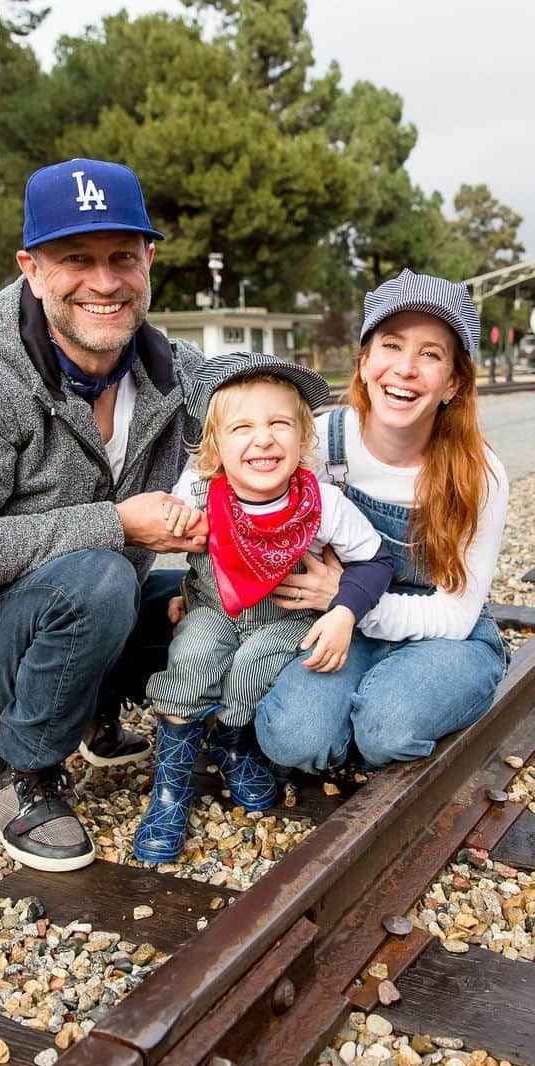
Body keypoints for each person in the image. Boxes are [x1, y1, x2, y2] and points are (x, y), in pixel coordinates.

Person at [0, 158, 209, 873]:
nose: (104, 281)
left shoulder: (176, 370)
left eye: (122, 257)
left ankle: (93, 710)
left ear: (149, 261)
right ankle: (22, 771)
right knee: (99, 580)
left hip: (89, 600)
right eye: (75, 259)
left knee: (212, 602)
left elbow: (270, 404)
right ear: (32, 268)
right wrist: (118, 523)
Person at [132, 353, 394, 862]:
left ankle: (232, 741)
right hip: (213, 608)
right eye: (242, 427)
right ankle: (171, 786)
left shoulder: (322, 502)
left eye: (279, 424)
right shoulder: (199, 493)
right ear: (215, 446)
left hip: (285, 615)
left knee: (254, 666)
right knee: (192, 659)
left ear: (303, 437)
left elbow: (374, 561)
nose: (263, 439)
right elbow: (163, 532)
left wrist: (343, 612)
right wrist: (177, 539)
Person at [255, 269, 510, 773]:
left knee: (386, 730)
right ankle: (369, 704)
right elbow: (241, 508)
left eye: (431, 354)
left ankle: (441, 690)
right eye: (392, 346)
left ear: (453, 382)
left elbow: (456, 615)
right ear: (366, 361)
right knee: (293, 740)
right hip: (339, 625)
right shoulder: (316, 446)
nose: (407, 368)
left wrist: (343, 598)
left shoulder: (480, 475)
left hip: (444, 635)